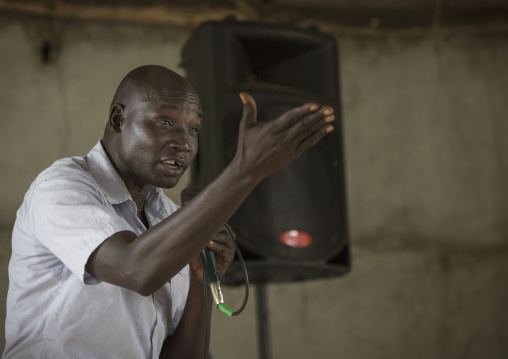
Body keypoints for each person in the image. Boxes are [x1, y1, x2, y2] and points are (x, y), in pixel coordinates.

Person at [3, 65, 335, 358]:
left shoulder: (171, 220)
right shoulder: (61, 187)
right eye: (165, 122)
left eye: (193, 129)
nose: (184, 143)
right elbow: (137, 270)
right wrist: (244, 171)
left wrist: (200, 278)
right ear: (119, 118)